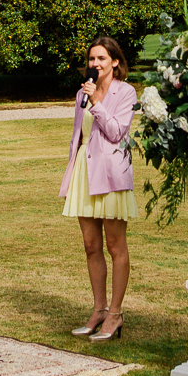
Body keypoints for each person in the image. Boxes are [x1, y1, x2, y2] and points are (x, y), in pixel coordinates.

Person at [60, 36, 135, 342]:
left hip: (113, 174)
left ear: (115, 62)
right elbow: (79, 135)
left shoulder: (125, 92)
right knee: (91, 245)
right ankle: (99, 310)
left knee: (115, 245)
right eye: (92, 59)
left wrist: (97, 103)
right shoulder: (83, 93)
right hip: (85, 172)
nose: (95, 64)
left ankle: (116, 313)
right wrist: (71, 170)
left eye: (101, 59)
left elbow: (116, 132)